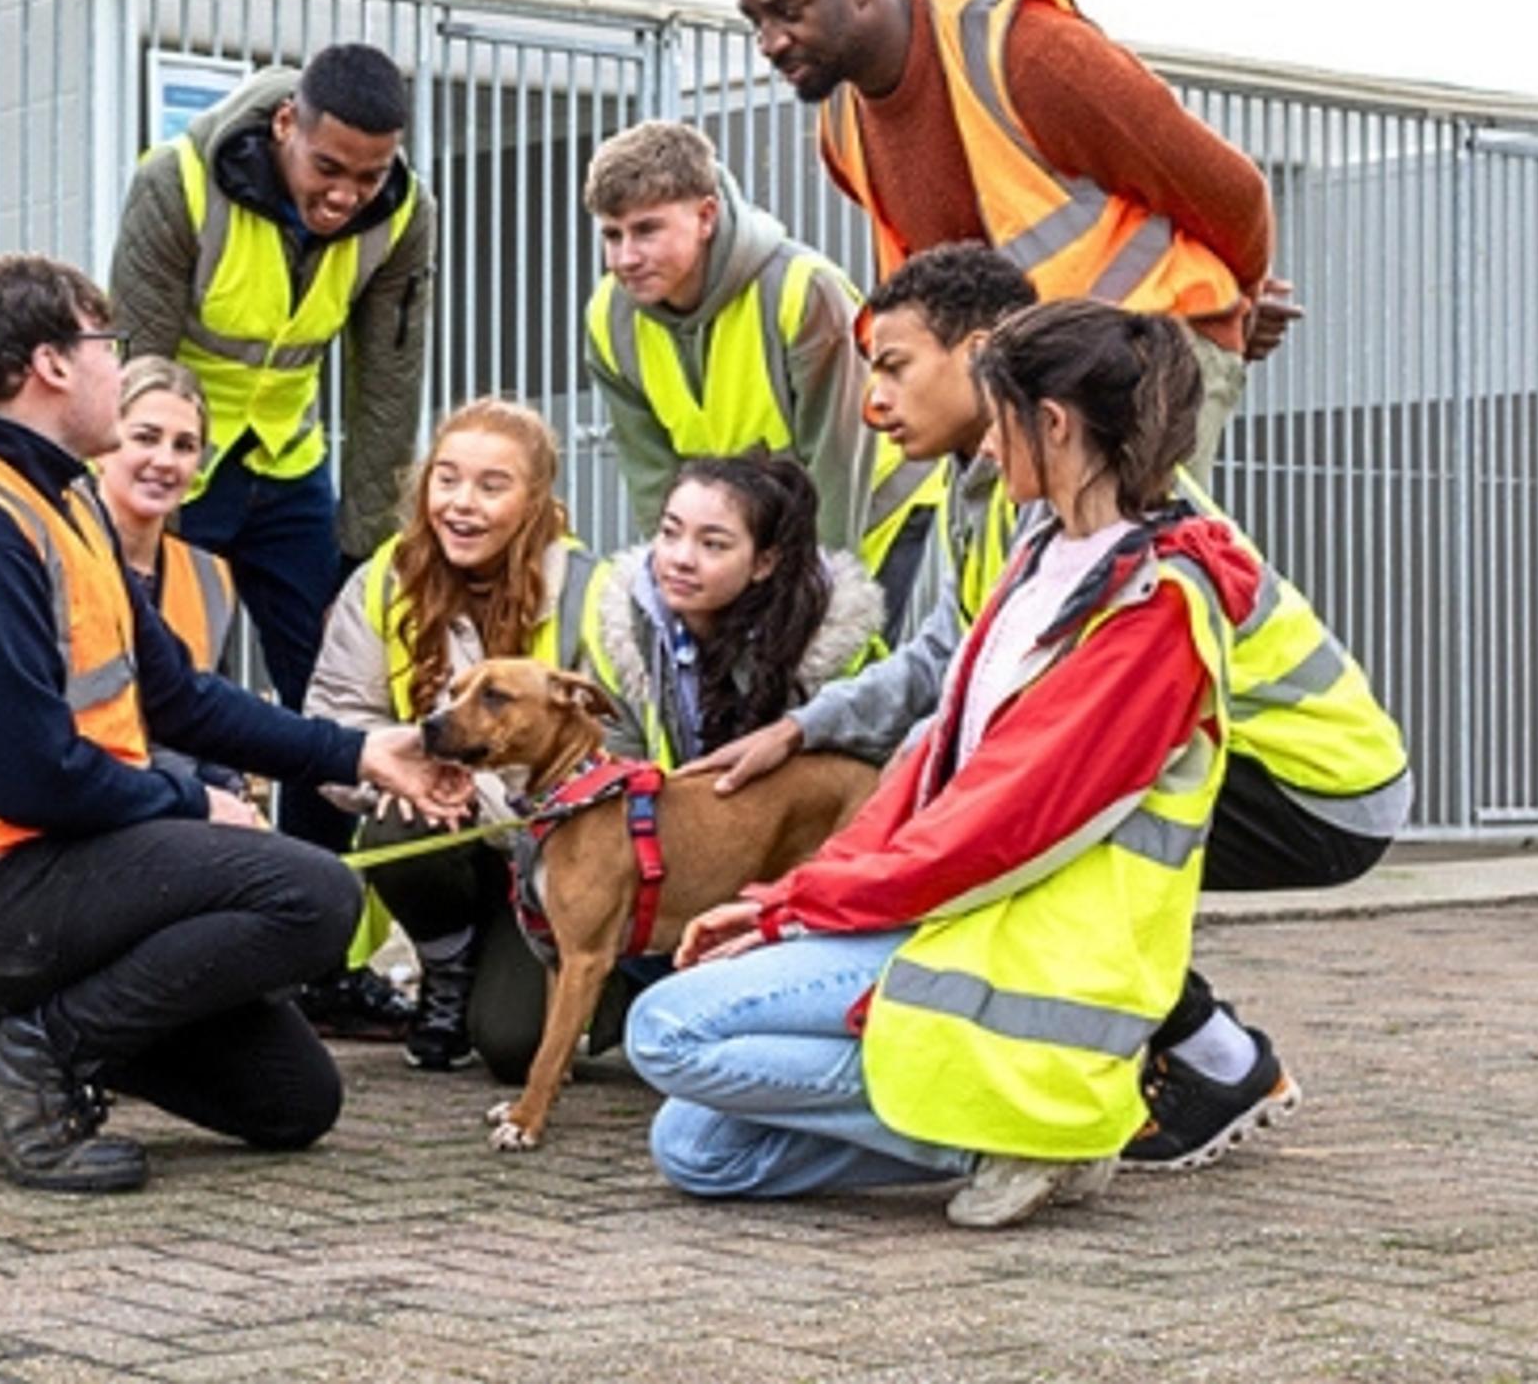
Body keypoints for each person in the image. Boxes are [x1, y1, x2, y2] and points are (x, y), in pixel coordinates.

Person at [696, 241, 1410, 1174]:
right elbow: (954, 665)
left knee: (1048, 848)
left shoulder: (1094, 513)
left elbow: (1005, 735)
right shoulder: (993, 492)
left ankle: (1149, 1081)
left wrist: (857, 866)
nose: (875, 401)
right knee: (1027, 838)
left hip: (1310, 780)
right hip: (1260, 762)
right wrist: (801, 729)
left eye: (896, 366)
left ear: (986, 361)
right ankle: (1210, 1062)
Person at [625, 301, 1258, 1228]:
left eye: (999, 422)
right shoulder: (1043, 554)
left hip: (1018, 956)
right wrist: (788, 900)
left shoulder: (1154, 606)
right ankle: (976, 1125)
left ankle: (1027, 1126)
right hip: (962, 928)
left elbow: (1001, 822)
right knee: (697, 1148)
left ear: (1052, 424)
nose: (988, 451)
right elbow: (931, 766)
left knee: (666, 1027)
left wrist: (802, 909)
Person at [0, 256, 471, 1195]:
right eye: (108, 346)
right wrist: (192, 803)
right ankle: (27, 1059)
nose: (123, 364)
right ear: (51, 365)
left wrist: (360, 751)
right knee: (313, 898)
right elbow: (34, 779)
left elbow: (180, 699)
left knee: (290, 1102)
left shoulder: (62, 497)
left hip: (70, 865)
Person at [728, 0, 1300, 485]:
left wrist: (1241, 300)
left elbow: (1229, 191)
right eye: (755, 20)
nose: (769, 42)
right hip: (1025, 385)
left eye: (788, 12)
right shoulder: (841, 129)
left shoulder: (1025, 52)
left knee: (1126, 570)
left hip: (1142, 358)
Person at [112, 45, 436, 1036]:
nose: (347, 194)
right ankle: (164, 947)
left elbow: (387, 380)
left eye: (369, 174)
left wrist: (366, 534)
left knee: (336, 694)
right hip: (181, 469)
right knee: (162, 693)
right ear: (287, 126)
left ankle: (322, 960)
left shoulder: (404, 217)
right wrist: (144, 495)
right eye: (330, 168)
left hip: (289, 467)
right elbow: (141, 352)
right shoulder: (176, 184)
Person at [306, 398, 606, 1077]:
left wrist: (490, 790)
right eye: (447, 479)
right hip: (442, 834)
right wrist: (409, 767)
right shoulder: (382, 581)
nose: (462, 504)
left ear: (536, 500)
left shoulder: (593, 592)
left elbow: (629, 753)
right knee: (393, 815)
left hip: (555, 849)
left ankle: (585, 975)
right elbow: (331, 726)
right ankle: (446, 966)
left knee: (512, 1046)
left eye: (492, 486)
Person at [578, 121, 940, 644]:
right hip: (744, 531)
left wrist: (816, 598)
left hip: (870, 511)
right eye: (612, 235)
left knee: (839, 683)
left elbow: (840, 462)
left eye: (647, 230)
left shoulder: (802, 291)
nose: (625, 257)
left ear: (706, 216)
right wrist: (682, 573)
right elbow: (652, 477)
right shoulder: (609, 318)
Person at [578, 456, 888, 774]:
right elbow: (615, 772)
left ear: (764, 563)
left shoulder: (834, 645)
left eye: (712, 544)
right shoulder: (619, 632)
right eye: (670, 533)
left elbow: (859, 777)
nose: (681, 559)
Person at [99, 356, 250, 796]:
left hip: (183, 805)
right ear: (104, 445)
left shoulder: (211, 577)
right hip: (96, 800)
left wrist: (227, 787)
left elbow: (214, 721)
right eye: (146, 438)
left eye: (185, 446)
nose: (165, 461)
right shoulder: (56, 551)